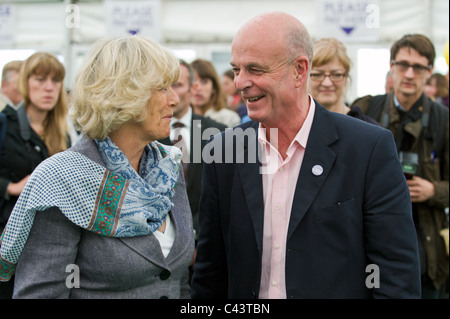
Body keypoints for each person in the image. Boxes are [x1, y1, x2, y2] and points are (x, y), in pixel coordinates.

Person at [191, 11, 421, 299]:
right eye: (236, 69)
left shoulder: (367, 148)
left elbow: (393, 272)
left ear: (299, 70)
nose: (240, 82)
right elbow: (210, 272)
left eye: (255, 69)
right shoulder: (224, 150)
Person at [0, 36, 195, 298]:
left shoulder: (168, 168)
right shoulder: (62, 179)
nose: (175, 98)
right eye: (161, 88)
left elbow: (177, 281)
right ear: (123, 93)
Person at [351, 34, 449, 299]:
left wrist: (433, 190)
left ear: (429, 72)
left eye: (418, 67)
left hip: (427, 249)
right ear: (391, 65)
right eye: (402, 64)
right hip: (371, 244)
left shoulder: (443, 120)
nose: (409, 73)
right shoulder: (366, 109)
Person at [0, 52, 70, 298]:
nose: (49, 88)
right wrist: (11, 187)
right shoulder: (4, 124)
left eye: (56, 80)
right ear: (25, 83)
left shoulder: (63, 134)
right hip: (7, 243)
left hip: (51, 247)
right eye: (40, 79)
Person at [158, 59, 226, 281]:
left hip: (207, 252)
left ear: (193, 87)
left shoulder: (219, 133)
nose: (171, 93)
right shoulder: (147, 136)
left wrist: (197, 241)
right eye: (164, 86)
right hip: (159, 252)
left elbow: (223, 196)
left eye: (177, 84)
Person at [309, 38, 378, 124]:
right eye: (317, 74)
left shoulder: (369, 129)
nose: (327, 83)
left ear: (346, 77)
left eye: (336, 75)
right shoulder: (293, 127)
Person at [191, 59, 241, 128]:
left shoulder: (229, 119)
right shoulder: (177, 118)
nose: (198, 88)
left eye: (204, 81)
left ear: (214, 87)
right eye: (193, 81)